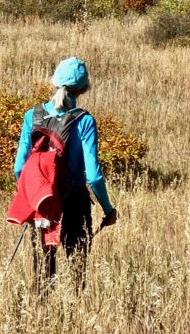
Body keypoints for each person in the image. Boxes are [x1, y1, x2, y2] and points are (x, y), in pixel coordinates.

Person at [13, 56, 119, 286]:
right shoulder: (85, 120)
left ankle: (42, 313)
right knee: (76, 265)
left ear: (55, 82)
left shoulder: (33, 115)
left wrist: (33, 195)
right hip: (74, 199)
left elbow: (19, 167)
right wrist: (108, 210)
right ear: (83, 88)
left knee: (43, 266)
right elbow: (93, 175)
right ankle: (75, 313)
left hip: (42, 199)